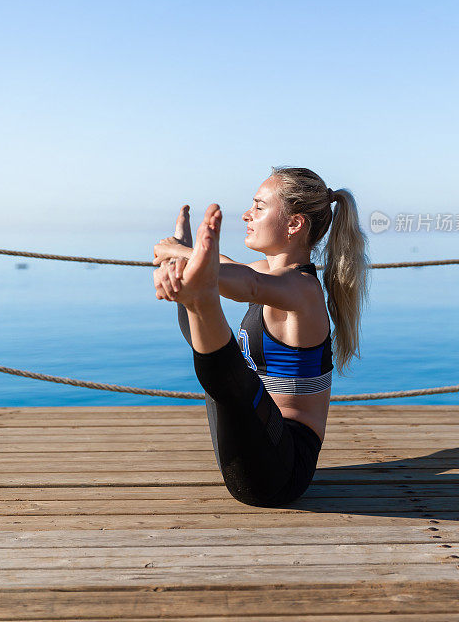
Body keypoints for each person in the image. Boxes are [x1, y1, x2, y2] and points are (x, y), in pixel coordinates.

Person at [152, 166, 370, 507]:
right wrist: (180, 251)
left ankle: (199, 300)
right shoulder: (271, 275)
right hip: (251, 454)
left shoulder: (302, 289)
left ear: (294, 224)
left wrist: (198, 270)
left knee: (234, 376)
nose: (246, 215)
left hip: (282, 470)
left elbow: (248, 286)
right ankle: (195, 299)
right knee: (201, 335)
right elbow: (232, 269)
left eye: (259, 206)